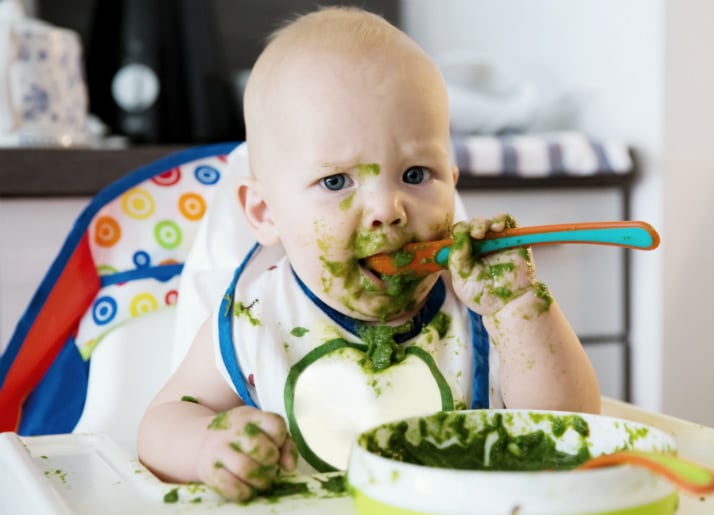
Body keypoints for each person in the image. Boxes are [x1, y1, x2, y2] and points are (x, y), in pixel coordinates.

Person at [137, 6, 600, 502]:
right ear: (265, 212)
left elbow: (572, 428)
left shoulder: (481, 309)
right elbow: (161, 425)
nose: (386, 209)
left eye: (416, 174)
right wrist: (209, 446)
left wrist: (520, 309)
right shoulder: (256, 318)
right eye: (336, 181)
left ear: (452, 184)